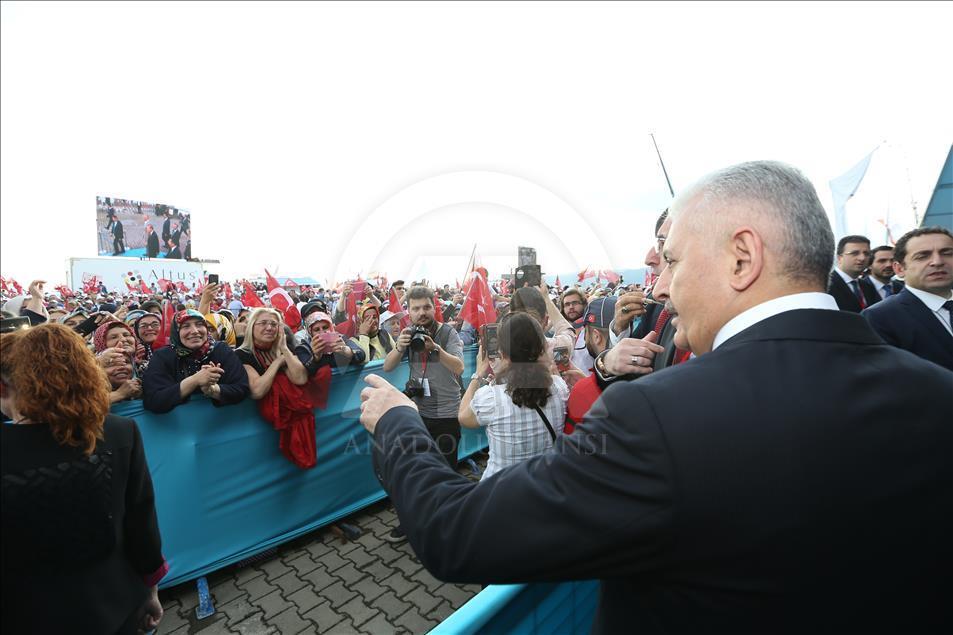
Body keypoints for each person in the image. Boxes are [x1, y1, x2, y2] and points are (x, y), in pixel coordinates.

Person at [357, 160, 952, 634]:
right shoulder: (935, 390)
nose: (660, 287)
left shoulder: (656, 417)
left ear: (742, 257)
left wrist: (400, 425)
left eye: (671, 261)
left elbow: (455, 532)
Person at [1, 324, 167, 634]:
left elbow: (140, 520)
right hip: (117, 606)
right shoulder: (118, 430)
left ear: (4, 386)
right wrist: (150, 591)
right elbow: (141, 525)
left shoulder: (120, 431)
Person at [381, 285, 465, 543]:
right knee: (414, 469)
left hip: (446, 413)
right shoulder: (407, 334)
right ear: (408, 311)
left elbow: (460, 367)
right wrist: (399, 346)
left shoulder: (448, 333)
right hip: (418, 411)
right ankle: (412, 520)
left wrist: (434, 349)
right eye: (415, 308)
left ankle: (448, 522)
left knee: (446, 470)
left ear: (434, 306)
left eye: (426, 307)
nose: (422, 312)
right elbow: (387, 366)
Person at [459, 312, 568, 479]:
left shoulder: (491, 398)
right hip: (546, 485)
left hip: (502, 489)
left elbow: (463, 417)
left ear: (502, 353)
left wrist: (478, 374)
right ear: (542, 346)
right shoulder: (560, 387)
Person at [862, 226, 953, 370]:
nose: (937, 261)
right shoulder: (879, 317)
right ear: (899, 269)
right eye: (922, 256)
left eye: (947, 253)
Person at [142, 309, 249, 413]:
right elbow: (153, 400)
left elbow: (242, 388)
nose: (194, 331)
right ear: (176, 332)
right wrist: (194, 380)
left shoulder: (221, 350)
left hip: (220, 426)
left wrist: (213, 390)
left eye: (199, 324)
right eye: (186, 326)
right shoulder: (162, 356)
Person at [235, 308, 309, 399]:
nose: (269, 328)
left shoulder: (284, 349)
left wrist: (284, 349)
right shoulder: (242, 354)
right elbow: (257, 391)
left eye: (274, 324)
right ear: (252, 327)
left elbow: (301, 379)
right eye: (263, 323)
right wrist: (278, 362)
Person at [294, 311, 364, 373]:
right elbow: (306, 371)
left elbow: (361, 355)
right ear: (310, 332)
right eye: (316, 329)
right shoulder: (305, 347)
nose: (322, 332)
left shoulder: (340, 339)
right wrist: (316, 357)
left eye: (325, 327)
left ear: (331, 327)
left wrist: (346, 350)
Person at [92, 321, 143, 403]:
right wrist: (119, 394)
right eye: (113, 337)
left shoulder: (145, 369)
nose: (123, 339)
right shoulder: (87, 379)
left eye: (126, 335)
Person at [827, 235, 881, 312]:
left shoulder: (868, 287)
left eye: (866, 253)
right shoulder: (826, 285)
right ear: (840, 258)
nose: (862, 258)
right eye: (855, 253)